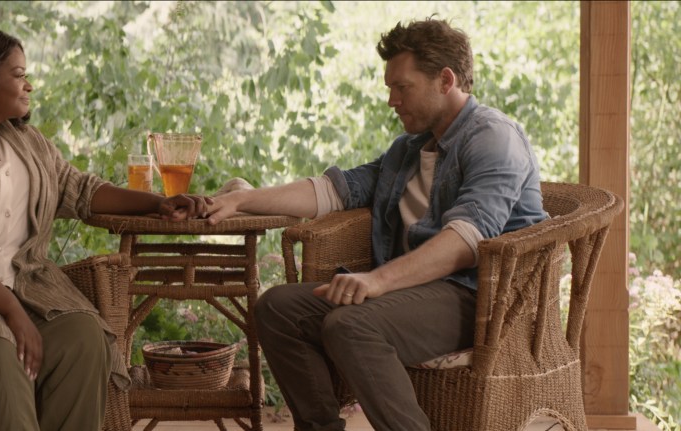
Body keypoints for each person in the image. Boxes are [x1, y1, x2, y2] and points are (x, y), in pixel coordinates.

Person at [205, 17, 547, 431]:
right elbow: (334, 191)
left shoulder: (493, 137)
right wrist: (240, 200)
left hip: (479, 298)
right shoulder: (407, 150)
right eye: (389, 87)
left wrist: (378, 280)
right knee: (278, 308)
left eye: (402, 87)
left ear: (445, 80)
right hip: (413, 292)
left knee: (350, 325)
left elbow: (467, 239)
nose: (391, 100)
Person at [0, 27, 209, 431]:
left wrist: (157, 203)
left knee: (83, 336)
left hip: (30, 290)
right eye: (18, 74)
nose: (28, 85)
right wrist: (11, 312)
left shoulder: (26, 142)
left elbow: (81, 190)